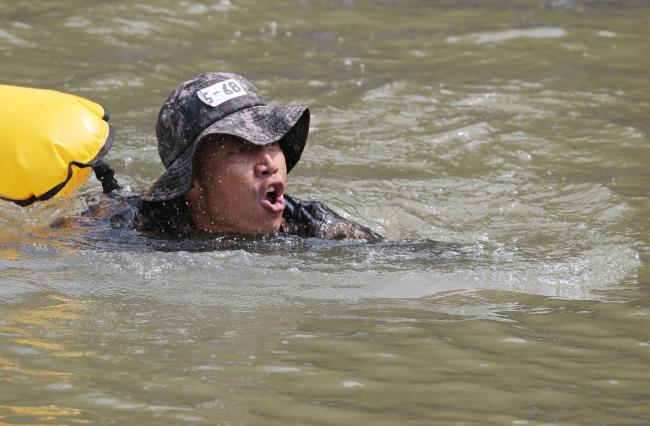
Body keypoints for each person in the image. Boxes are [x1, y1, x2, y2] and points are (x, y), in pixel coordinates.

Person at [104, 72, 382, 243]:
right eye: (241, 149)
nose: (270, 164)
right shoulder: (131, 229)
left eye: (271, 142)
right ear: (191, 181)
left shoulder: (314, 225)